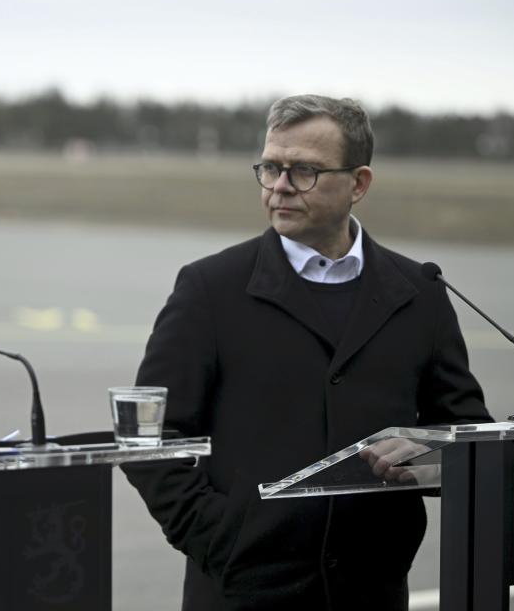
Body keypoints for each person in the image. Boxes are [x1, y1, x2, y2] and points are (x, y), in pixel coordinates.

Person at [122, 95, 493, 610]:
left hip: (372, 591)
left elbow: (468, 435)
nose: (279, 186)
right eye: (271, 167)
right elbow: (148, 440)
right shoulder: (210, 288)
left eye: (303, 172)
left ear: (358, 183)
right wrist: (221, 539)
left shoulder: (420, 291)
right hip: (243, 590)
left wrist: (429, 456)